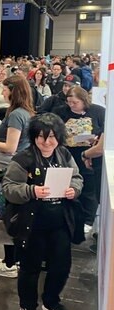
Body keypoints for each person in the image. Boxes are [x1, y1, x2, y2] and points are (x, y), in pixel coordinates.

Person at [2, 113, 83, 310]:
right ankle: (27, 306)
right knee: (30, 267)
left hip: (60, 222)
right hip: (32, 223)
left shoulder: (64, 154)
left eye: (52, 137)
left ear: (60, 137)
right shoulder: (23, 158)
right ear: (34, 136)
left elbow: (77, 177)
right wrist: (31, 191)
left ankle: (51, 302)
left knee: (61, 265)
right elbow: (9, 188)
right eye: (41, 137)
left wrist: (74, 189)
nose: (46, 142)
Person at [0, 75, 35, 278]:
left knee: (4, 213)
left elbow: (10, 147)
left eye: (4, 89)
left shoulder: (17, 115)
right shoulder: (22, 112)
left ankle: (10, 263)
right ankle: (11, 259)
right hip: (12, 168)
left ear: (13, 90)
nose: (1, 93)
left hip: (8, 169)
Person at [54, 86, 105, 234]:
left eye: (75, 102)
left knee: (89, 188)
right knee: (69, 187)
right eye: (69, 102)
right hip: (67, 154)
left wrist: (96, 139)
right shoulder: (61, 111)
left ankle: (88, 219)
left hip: (89, 156)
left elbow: (103, 133)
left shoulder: (98, 111)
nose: (71, 105)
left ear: (84, 100)